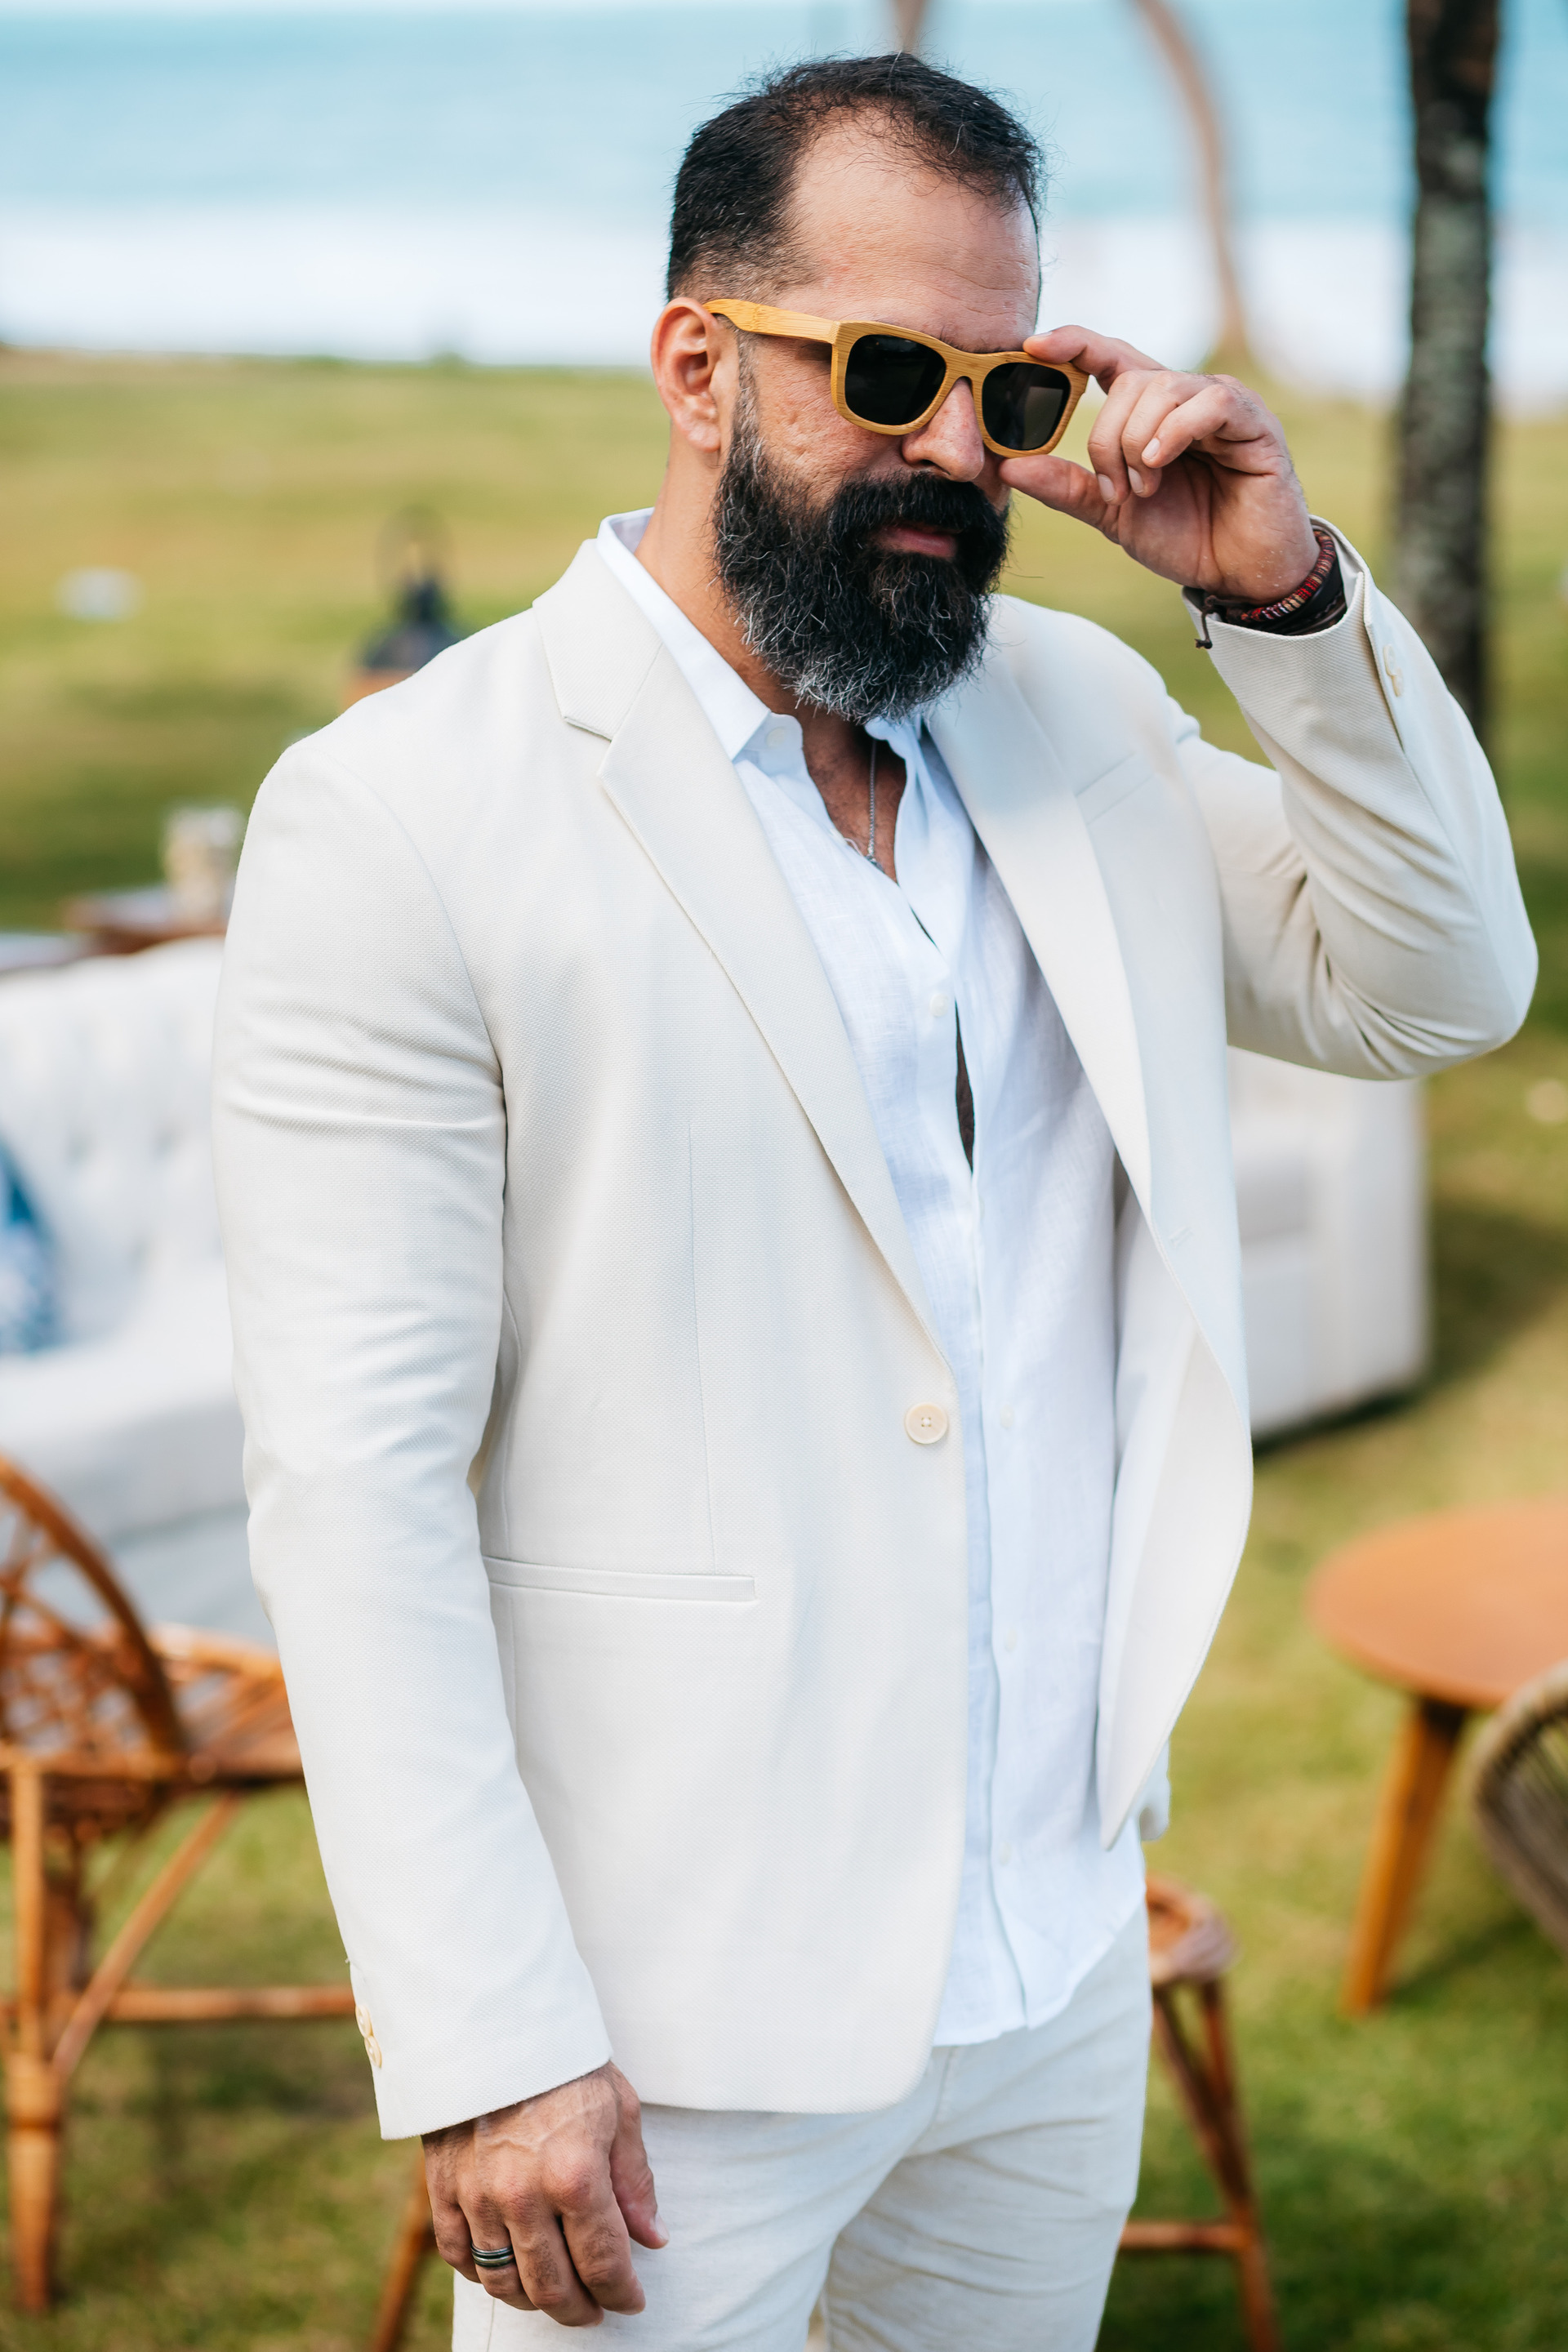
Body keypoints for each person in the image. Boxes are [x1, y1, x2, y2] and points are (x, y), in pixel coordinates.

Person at [213, 53, 1535, 2352]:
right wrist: (489, 2036)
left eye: (1004, 388)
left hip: (1047, 1966)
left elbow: (1437, 984)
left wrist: (1285, 595)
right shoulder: (404, 815)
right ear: (697, 365)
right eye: (889, 374)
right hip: (660, 2033)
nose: (954, 451)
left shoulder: (1075, 715)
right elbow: (356, 1484)